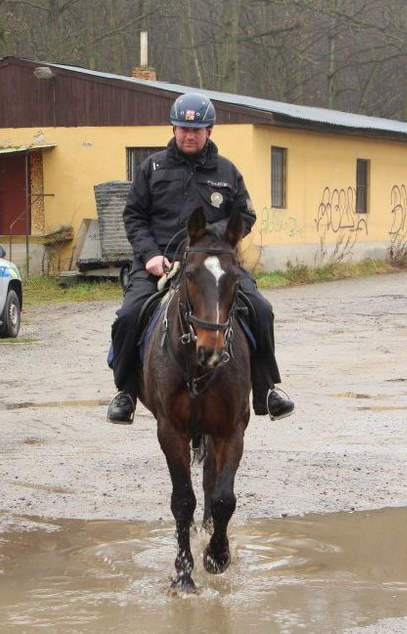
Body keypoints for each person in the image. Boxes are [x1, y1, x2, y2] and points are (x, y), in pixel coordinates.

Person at [107, 92, 295, 424]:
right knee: (128, 317)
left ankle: (266, 389)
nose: (189, 135)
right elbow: (133, 216)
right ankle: (125, 392)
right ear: (174, 128)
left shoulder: (227, 171)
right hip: (160, 262)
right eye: (182, 129)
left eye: (196, 130)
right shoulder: (152, 168)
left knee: (261, 311)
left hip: (213, 263)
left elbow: (245, 216)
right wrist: (150, 255)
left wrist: (215, 238)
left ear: (209, 130)